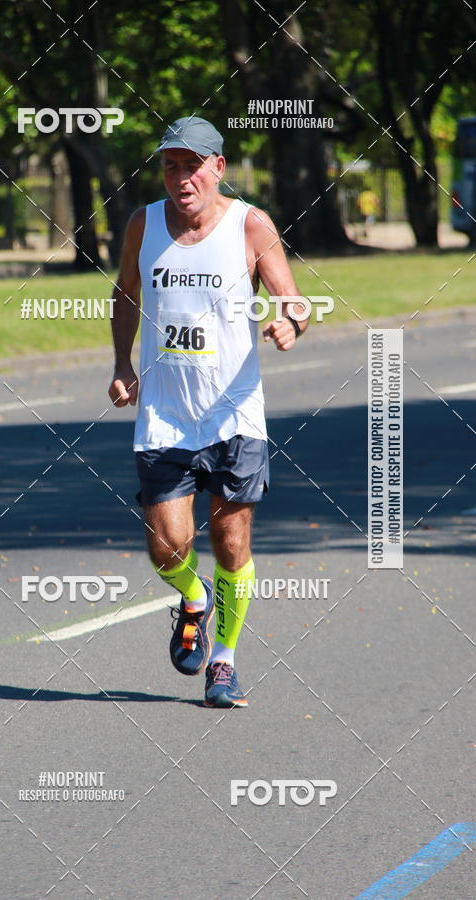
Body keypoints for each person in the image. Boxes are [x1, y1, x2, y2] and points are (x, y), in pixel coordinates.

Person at [108, 116, 307, 708]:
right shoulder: (143, 224)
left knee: (230, 539)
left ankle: (224, 661)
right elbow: (125, 294)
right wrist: (122, 362)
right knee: (167, 546)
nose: (181, 178)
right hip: (166, 416)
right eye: (170, 166)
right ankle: (194, 599)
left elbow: (291, 297)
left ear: (217, 167)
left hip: (234, 414)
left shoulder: (250, 225)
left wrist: (290, 322)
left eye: (192, 165)